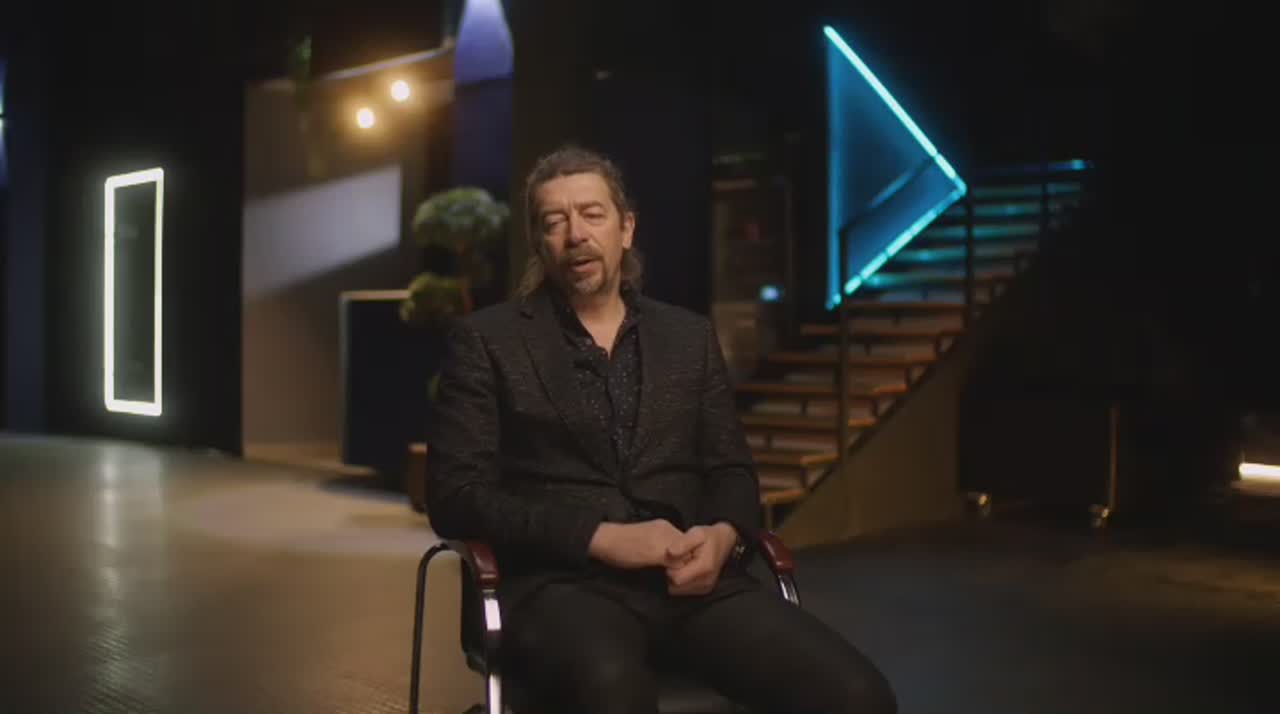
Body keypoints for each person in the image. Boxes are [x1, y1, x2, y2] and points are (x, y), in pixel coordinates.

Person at [425, 145, 897, 714]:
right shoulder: (487, 341)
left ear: (626, 228)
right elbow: (457, 495)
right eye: (554, 221)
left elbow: (732, 470)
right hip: (559, 587)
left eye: (592, 214)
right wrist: (600, 537)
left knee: (857, 695)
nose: (575, 234)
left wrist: (724, 535)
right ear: (539, 242)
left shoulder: (688, 337)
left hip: (691, 584)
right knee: (613, 692)